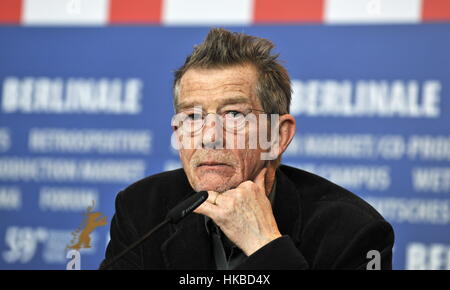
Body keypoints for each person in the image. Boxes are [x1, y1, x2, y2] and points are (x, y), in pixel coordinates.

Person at [99, 28, 394, 270]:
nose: (209, 136)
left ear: (279, 135)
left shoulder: (354, 231)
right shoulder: (141, 209)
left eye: (234, 115)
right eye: (192, 118)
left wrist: (265, 245)